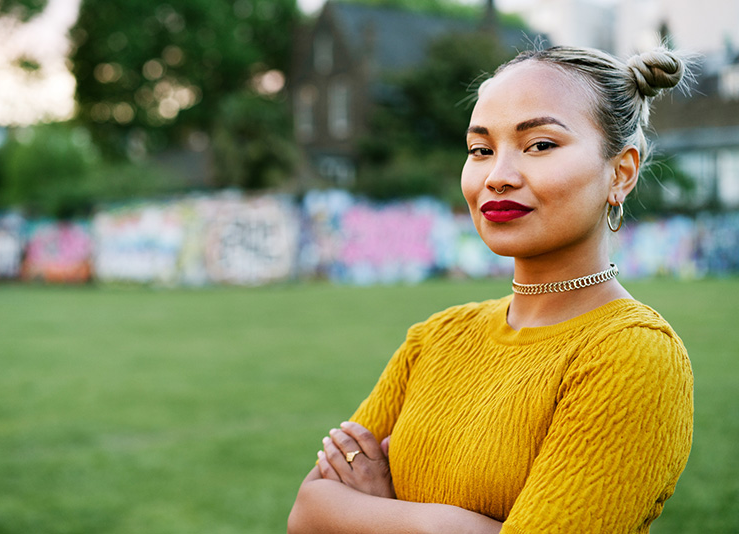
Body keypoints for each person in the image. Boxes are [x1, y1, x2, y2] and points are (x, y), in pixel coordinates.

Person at [288, 44, 694, 534]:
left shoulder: (631, 353)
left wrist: (387, 512)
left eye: (540, 145)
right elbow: (308, 513)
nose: (497, 177)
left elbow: (333, 515)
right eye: (481, 150)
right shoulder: (437, 338)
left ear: (621, 172)